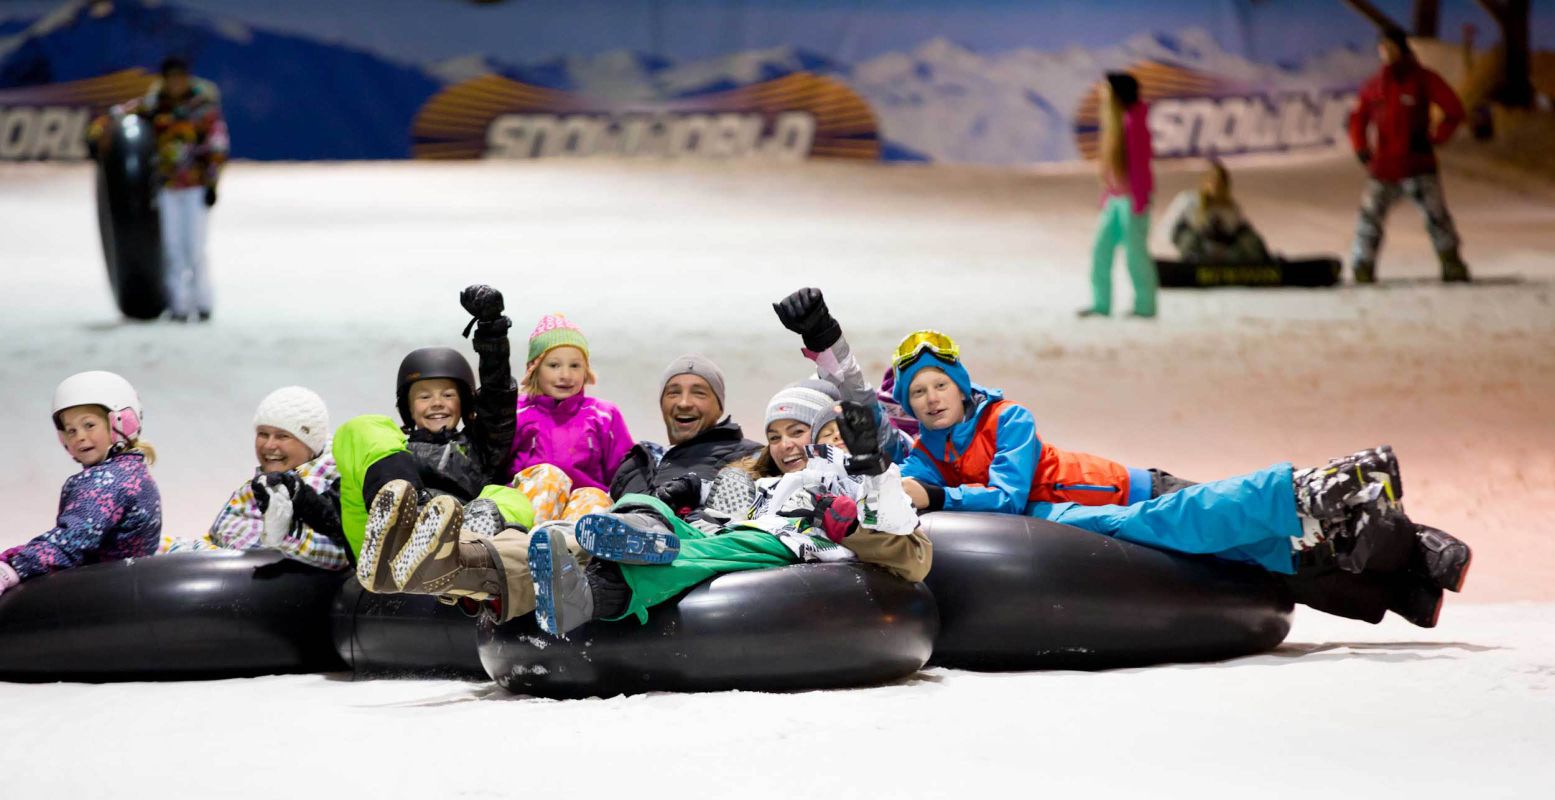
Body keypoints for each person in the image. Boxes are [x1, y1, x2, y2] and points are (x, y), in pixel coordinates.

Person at [890, 330, 1472, 627]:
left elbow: (1007, 496)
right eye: (918, 393)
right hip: (1091, 523)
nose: (932, 398)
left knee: (1226, 523)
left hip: (1142, 489)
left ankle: (1414, 541)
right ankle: (1404, 592)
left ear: (961, 384)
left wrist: (940, 494)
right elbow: (876, 451)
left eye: (939, 384)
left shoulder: (1006, 417)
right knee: (1257, 557)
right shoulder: (921, 455)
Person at [529, 388, 931, 637]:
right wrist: (690, 494)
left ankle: (596, 593)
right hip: (734, 529)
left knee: (704, 552)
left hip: (785, 541)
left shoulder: (871, 481)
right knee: (653, 507)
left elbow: (910, 547)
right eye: (775, 436)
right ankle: (625, 537)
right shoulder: (775, 479)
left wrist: (855, 517)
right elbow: (728, 510)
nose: (787, 445)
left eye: (837, 439)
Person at [336, 285, 536, 597]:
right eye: (425, 396)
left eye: (447, 394)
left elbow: (497, 401)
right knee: (361, 428)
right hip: (375, 543)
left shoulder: (478, 446)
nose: (437, 403)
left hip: (450, 539)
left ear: (464, 404)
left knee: (513, 496)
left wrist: (491, 329)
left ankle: (456, 539)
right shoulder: (395, 444)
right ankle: (402, 518)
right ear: (409, 406)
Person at [91, 56, 229, 321]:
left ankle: (202, 303)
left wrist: (212, 182)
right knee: (173, 247)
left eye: (180, 77)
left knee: (195, 248)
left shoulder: (201, 108)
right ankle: (178, 305)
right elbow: (117, 117)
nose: (176, 83)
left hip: (194, 186)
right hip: (166, 188)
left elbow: (217, 145)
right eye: (171, 78)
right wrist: (99, 133)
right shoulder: (154, 107)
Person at [0, 372, 162, 596]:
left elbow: (68, 544)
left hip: (103, 595)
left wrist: (12, 569)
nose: (80, 437)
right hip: (124, 584)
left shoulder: (106, 483)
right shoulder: (132, 471)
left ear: (120, 424)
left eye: (89, 425)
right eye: (71, 430)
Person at [161, 386, 350, 570]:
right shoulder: (265, 484)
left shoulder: (322, 488)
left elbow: (341, 554)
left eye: (283, 436)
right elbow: (221, 542)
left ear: (311, 443)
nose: (269, 445)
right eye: (263, 434)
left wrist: (284, 535)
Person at [1348, 27, 1470, 283]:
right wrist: (1360, 147)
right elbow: (1358, 118)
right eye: (1382, 48)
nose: (1385, 53)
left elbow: (1454, 110)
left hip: (1418, 166)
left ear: (1402, 49)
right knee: (1369, 219)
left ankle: (1451, 263)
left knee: (1437, 218)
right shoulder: (1376, 84)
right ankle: (1362, 266)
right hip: (1384, 169)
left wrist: (1436, 138)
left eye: (1390, 47)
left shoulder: (1423, 79)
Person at [508, 314, 632, 525]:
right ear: (534, 369)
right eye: (554, 365)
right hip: (530, 499)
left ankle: (571, 552)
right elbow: (493, 463)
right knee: (549, 476)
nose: (565, 375)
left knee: (595, 498)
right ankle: (527, 546)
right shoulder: (516, 412)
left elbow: (624, 473)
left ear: (586, 371)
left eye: (575, 366)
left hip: (582, 501)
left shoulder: (603, 415)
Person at [608, 354, 762, 500]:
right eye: (673, 393)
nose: (684, 403)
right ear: (662, 404)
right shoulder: (635, 463)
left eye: (699, 393)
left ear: (720, 407)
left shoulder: (751, 458)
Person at [1081, 71, 1157, 319]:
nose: (1102, 94)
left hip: (1132, 200)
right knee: (1101, 249)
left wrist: (1139, 197)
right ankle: (1101, 303)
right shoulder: (1116, 122)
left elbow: (1139, 164)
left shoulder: (1133, 123)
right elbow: (1116, 165)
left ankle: (1145, 306)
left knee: (1136, 254)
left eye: (1106, 90)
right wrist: (1108, 194)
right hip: (1115, 199)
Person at [1159, 159, 1270, 263]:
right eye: (1212, 181)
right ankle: (1192, 261)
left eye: (1220, 183)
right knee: (1188, 236)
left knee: (1248, 237)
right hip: (1198, 251)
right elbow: (1167, 228)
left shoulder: (1232, 209)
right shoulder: (1188, 200)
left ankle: (1263, 265)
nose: (1216, 186)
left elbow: (1244, 233)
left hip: (1225, 251)